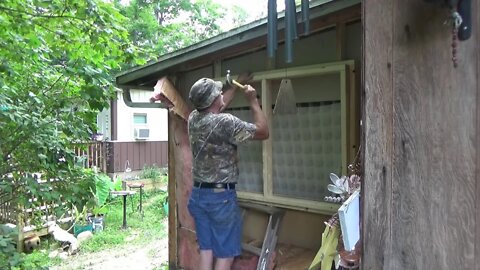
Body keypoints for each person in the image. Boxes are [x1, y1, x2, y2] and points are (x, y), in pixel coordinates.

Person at [187, 76, 269, 270]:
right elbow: (263, 131)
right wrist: (252, 100)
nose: (222, 94)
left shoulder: (193, 118)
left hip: (199, 197)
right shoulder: (225, 122)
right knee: (226, 254)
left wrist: (233, 85)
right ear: (215, 99)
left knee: (206, 250)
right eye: (219, 93)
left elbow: (216, 110)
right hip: (220, 199)